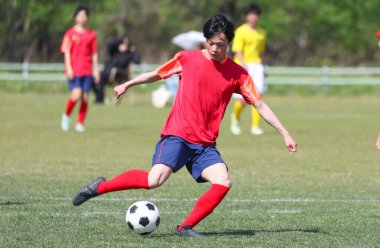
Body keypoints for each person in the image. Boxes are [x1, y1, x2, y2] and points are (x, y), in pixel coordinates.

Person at [72, 14, 297, 237]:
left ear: (229, 43)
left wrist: (284, 133)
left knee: (223, 181)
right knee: (154, 180)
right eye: (210, 43)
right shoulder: (187, 58)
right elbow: (157, 74)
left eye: (220, 44)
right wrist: (128, 84)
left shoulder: (239, 75)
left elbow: (259, 104)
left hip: (205, 145)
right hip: (178, 135)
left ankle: (184, 228)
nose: (214, 48)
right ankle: (99, 187)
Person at [60, 5, 100, 132]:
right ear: (75, 17)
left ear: (87, 18)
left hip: (87, 70)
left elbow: (94, 54)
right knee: (76, 95)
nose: (82, 17)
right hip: (74, 70)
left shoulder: (91, 35)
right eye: (80, 15)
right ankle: (66, 116)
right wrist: (69, 68)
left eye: (85, 15)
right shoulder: (70, 34)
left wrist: (96, 70)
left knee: (85, 97)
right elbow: (66, 52)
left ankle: (80, 123)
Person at [230, 3, 266, 136]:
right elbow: (238, 49)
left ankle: (255, 126)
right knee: (243, 98)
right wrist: (244, 65)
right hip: (243, 65)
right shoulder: (241, 31)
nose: (254, 17)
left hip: (257, 65)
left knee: (258, 96)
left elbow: (261, 52)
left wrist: (263, 67)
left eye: (256, 15)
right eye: (251, 14)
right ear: (246, 16)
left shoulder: (261, 33)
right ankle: (236, 118)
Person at [94, 36, 141, 103]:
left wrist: (135, 50)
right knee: (94, 79)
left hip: (119, 75)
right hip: (106, 73)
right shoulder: (115, 52)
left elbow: (138, 61)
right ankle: (99, 97)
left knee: (102, 77)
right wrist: (120, 41)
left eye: (126, 43)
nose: (124, 45)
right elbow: (110, 45)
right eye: (123, 43)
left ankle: (99, 99)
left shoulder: (130, 54)